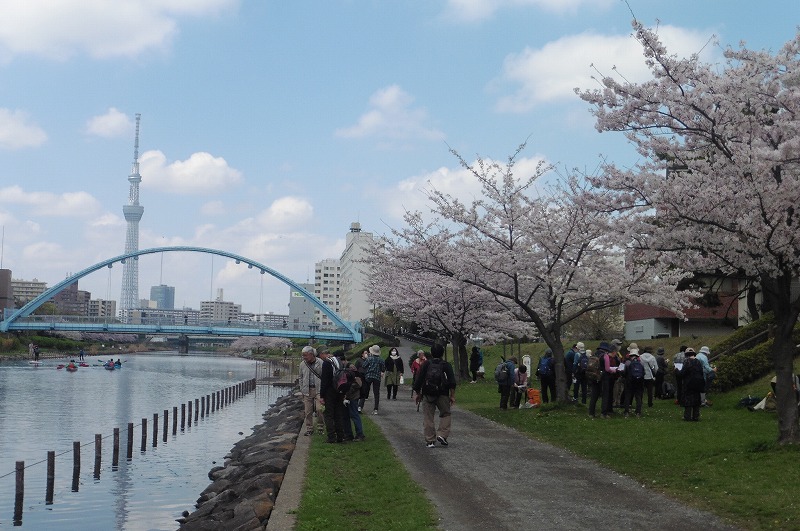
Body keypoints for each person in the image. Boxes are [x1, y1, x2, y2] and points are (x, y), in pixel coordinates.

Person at [413, 342, 456, 447]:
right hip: (443, 393)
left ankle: (430, 440)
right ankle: (442, 434)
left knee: (428, 417)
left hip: (428, 394)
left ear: (431, 353)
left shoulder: (426, 364)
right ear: (442, 353)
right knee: (446, 414)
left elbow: (418, 380)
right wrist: (452, 395)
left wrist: (418, 393)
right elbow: (452, 382)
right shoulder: (446, 365)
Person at [319, 347, 347, 443]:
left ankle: (331, 437)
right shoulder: (339, 362)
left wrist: (322, 395)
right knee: (338, 414)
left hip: (330, 391)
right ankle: (340, 436)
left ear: (324, 354)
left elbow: (324, 380)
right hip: (339, 390)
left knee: (329, 414)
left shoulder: (327, 363)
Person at [299, 345, 323, 436]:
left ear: (311, 354)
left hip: (319, 389)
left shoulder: (320, 362)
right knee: (308, 411)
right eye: (303, 355)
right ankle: (309, 429)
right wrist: (302, 388)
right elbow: (300, 377)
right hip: (307, 390)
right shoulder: (302, 364)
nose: (304, 357)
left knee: (319, 409)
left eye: (305, 355)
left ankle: (320, 427)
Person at [359, 344, 385, 415]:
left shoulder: (369, 359)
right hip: (377, 377)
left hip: (369, 376)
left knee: (364, 391)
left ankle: (360, 406)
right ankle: (376, 409)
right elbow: (383, 369)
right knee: (376, 393)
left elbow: (364, 366)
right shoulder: (381, 360)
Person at [680, 347, 704, 421]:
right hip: (697, 383)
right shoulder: (698, 362)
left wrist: (676, 370)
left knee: (688, 400)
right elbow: (701, 372)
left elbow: (682, 373)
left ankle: (687, 416)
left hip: (688, 383)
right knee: (696, 399)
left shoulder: (687, 362)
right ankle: (696, 416)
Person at [343, 364, 365, 441]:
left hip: (352, 398)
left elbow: (355, 386)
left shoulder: (353, 376)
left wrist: (346, 394)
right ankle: (349, 434)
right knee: (347, 416)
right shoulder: (356, 375)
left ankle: (359, 434)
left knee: (354, 415)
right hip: (352, 397)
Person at [623, 351, 645, 417]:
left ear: (630, 356)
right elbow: (643, 373)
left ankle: (626, 411)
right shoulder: (641, 363)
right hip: (639, 382)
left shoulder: (627, 363)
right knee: (638, 397)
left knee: (628, 396)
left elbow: (624, 372)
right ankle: (638, 412)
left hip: (629, 382)